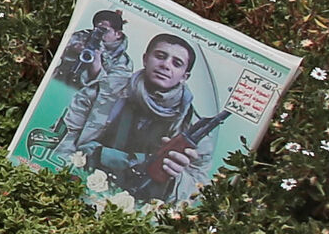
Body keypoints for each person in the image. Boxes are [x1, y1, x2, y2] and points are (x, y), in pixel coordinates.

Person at [60, 29, 221, 208]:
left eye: (176, 63)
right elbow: (66, 139)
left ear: (185, 76)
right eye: (160, 56)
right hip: (79, 189)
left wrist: (175, 178)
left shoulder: (194, 129)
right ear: (145, 59)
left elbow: (196, 193)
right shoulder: (104, 90)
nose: (165, 65)